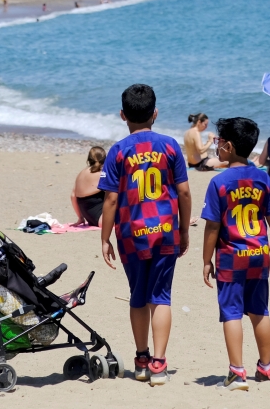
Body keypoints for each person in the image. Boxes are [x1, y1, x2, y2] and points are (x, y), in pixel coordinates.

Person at [98, 84, 191, 387]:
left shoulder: (118, 151)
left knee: (138, 296)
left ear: (123, 115)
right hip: (165, 230)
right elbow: (184, 192)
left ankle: (141, 359)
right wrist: (183, 228)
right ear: (156, 113)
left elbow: (110, 200)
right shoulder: (170, 146)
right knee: (161, 297)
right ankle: (159, 365)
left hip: (131, 234)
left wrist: (105, 237)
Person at [201, 117, 270, 391]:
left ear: (228, 146)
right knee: (259, 310)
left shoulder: (219, 182)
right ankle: (266, 367)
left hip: (230, 257)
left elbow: (213, 225)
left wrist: (206, 260)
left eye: (218, 141)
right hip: (260, 254)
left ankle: (237, 372)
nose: (216, 145)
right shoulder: (263, 179)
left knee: (231, 313)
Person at [70, 146, 106, 227]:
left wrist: (80, 218)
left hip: (90, 218)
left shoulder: (80, 174)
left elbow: (73, 196)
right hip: (103, 219)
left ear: (88, 159)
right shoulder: (102, 174)